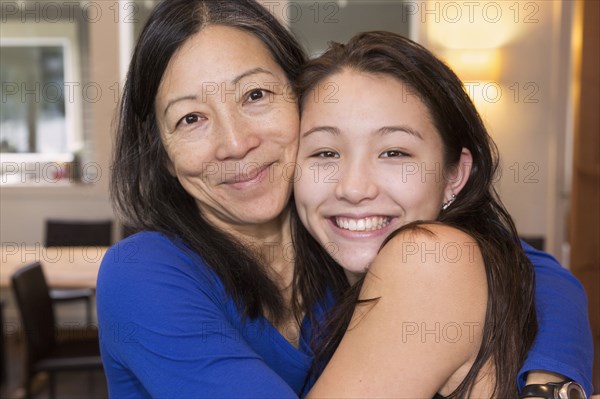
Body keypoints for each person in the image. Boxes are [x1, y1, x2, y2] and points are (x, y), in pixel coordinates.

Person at [96, 0, 594, 397]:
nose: (234, 143)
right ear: (161, 154)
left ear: (303, 103)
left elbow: (537, 271)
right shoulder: (143, 271)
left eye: (254, 96)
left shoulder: (339, 240)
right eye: (190, 119)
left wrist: (548, 382)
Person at [293, 30, 568, 398]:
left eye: (394, 153)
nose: (354, 187)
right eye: (325, 153)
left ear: (454, 175)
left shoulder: (428, 258)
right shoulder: (327, 286)